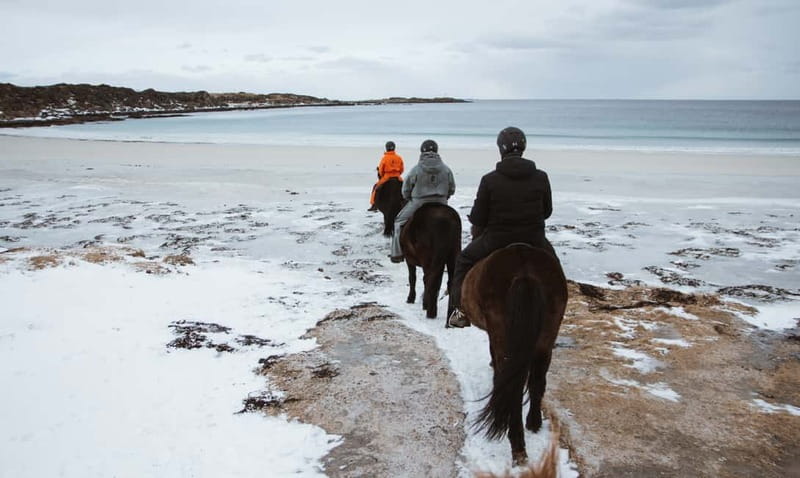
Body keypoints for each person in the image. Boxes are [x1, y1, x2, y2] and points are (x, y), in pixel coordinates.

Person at [447, 126, 557, 327]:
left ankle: (459, 311)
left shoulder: (489, 180)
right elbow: (547, 212)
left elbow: (479, 218)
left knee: (463, 260)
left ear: (501, 149)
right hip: (534, 238)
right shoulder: (541, 177)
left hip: (497, 239)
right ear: (523, 147)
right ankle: (556, 311)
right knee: (555, 270)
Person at [389, 139, 456, 263]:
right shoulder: (446, 169)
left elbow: (406, 189)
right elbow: (452, 189)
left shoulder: (416, 169)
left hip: (419, 203)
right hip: (441, 202)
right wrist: (444, 197)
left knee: (398, 222)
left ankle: (396, 254)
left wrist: (409, 198)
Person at [368, 141, 404, 211]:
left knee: (376, 188)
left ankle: (374, 204)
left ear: (386, 148)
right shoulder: (399, 158)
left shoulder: (384, 158)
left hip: (387, 177)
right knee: (405, 188)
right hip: (397, 177)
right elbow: (402, 169)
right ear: (394, 148)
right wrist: (397, 174)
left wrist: (382, 175)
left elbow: (381, 170)